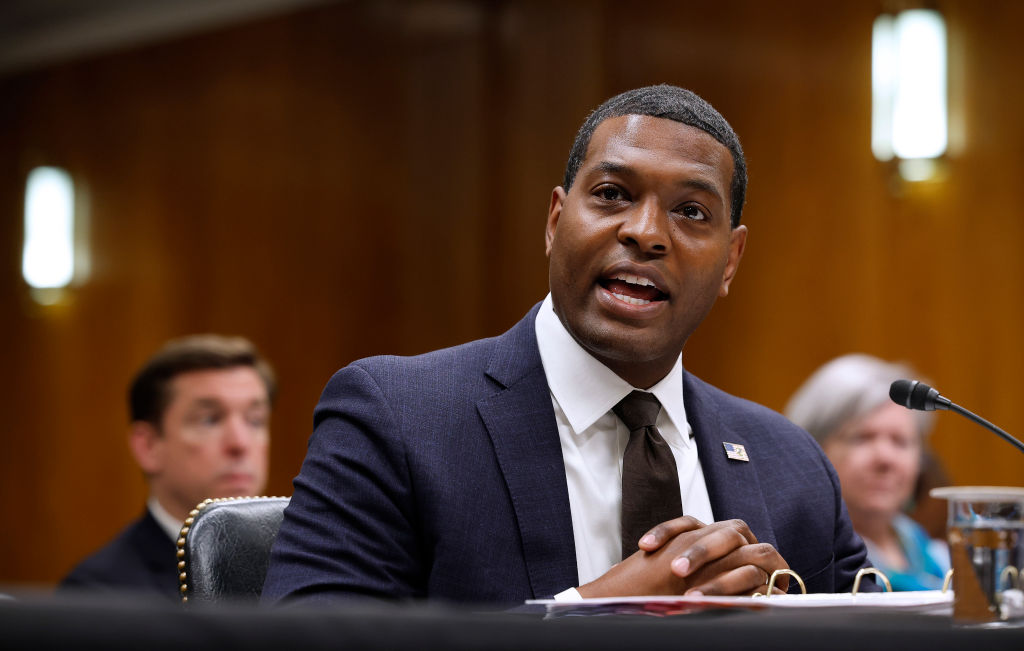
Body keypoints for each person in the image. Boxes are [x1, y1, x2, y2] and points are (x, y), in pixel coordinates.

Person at [262, 84, 873, 605]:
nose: (645, 232)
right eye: (612, 195)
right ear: (555, 222)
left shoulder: (791, 464)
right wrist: (591, 617)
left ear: (731, 261)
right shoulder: (397, 417)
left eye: (690, 211)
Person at [59, 334, 276, 600]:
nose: (240, 443)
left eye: (255, 420)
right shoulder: (97, 593)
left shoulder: (304, 564)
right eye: (209, 420)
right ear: (148, 446)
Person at [784, 354, 950, 591]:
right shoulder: (800, 564)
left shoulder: (940, 560)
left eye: (900, 441)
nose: (885, 458)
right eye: (861, 438)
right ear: (812, 449)